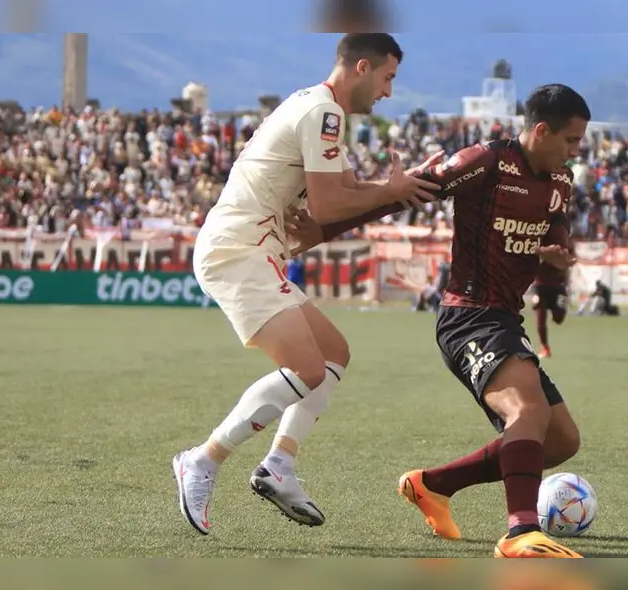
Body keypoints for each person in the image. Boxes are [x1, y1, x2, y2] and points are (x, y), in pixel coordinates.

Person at [171, 33, 442, 536]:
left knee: (334, 354)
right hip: (238, 250)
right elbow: (330, 205)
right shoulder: (325, 114)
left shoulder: (317, 106)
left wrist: (390, 189)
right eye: (388, 78)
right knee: (308, 368)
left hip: (256, 250)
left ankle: (279, 465)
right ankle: (202, 460)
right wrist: (393, 189)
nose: (387, 92)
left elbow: (343, 192)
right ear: (363, 67)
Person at [311, 84, 590, 558]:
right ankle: (521, 532)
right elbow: (406, 194)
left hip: (505, 320)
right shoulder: (486, 162)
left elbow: (556, 243)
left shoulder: (561, 183)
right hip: (469, 316)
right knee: (529, 413)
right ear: (541, 130)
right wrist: (322, 229)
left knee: (561, 440)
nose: (575, 151)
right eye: (571, 141)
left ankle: (432, 485)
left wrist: (557, 266)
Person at [530, 258, 570, 358]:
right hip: (539, 287)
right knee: (540, 319)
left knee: (558, 318)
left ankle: (545, 348)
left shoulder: (560, 246)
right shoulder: (536, 246)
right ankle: (545, 348)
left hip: (558, 288)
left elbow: (567, 261)